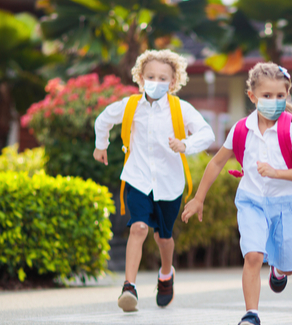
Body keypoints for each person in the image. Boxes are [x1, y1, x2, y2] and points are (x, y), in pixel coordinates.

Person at [181, 62, 292, 325]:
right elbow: (216, 163)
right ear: (252, 96)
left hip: (286, 204)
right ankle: (251, 314)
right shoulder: (241, 129)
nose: (274, 101)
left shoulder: (291, 130)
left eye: (280, 96)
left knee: (288, 265)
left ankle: (279, 272)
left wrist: (275, 172)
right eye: (267, 96)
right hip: (251, 201)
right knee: (253, 255)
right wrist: (199, 198)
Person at [93, 49, 215, 312]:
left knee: (163, 238)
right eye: (151, 76)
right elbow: (103, 119)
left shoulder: (180, 109)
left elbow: (207, 133)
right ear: (140, 77)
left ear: (173, 82)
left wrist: (185, 144)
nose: (156, 82)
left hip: (169, 184)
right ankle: (129, 287)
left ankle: (166, 274)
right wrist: (100, 145)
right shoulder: (130, 106)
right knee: (138, 228)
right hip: (137, 178)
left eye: (163, 78)